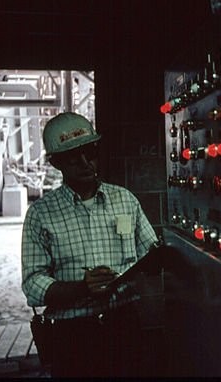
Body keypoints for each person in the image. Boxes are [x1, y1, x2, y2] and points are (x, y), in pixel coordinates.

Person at [21, 112, 161, 377]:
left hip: (124, 325)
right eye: (74, 158)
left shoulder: (125, 200)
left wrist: (161, 258)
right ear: (56, 162)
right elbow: (32, 284)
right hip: (73, 336)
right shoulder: (41, 214)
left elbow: (150, 254)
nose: (86, 163)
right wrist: (83, 289)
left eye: (90, 152)